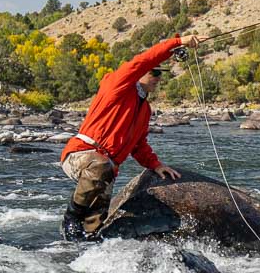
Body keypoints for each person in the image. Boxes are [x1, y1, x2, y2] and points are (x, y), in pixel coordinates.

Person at [58, 34, 199, 240]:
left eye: (161, 74)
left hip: (106, 169)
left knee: (94, 227)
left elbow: (139, 145)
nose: (159, 78)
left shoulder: (145, 108)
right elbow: (143, 61)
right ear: (140, 74)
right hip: (81, 155)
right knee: (100, 166)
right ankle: (71, 217)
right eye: (155, 72)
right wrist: (178, 42)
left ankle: (77, 250)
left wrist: (155, 165)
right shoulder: (117, 85)